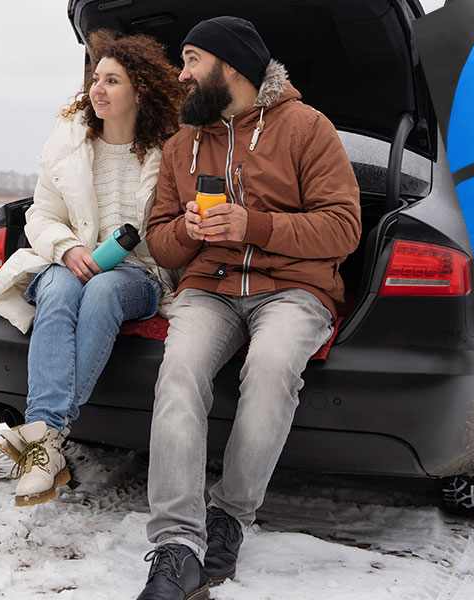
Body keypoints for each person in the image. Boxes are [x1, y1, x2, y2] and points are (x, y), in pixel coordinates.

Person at [134, 16, 360, 600]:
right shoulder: (181, 144)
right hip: (208, 288)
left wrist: (252, 226)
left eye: (191, 59)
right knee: (178, 372)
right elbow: (160, 242)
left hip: (293, 288)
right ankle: (176, 546)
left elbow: (343, 228)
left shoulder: (308, 128)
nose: (181, 74)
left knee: (271, 368)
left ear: (230, 65)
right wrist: (186, 232)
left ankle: (229, 516)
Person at [0, 31, 183, 507]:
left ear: (140, 91)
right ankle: (48, 442)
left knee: (103, 291)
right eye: (96, 78)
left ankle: (43, 433)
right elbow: (41, 214)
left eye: (112, 80)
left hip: (138, 273)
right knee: (56, 291)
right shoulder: (70, 143)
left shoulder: (170, 151)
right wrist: (68, 248)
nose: (98, 88)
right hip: (67, 259)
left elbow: (171, 229)